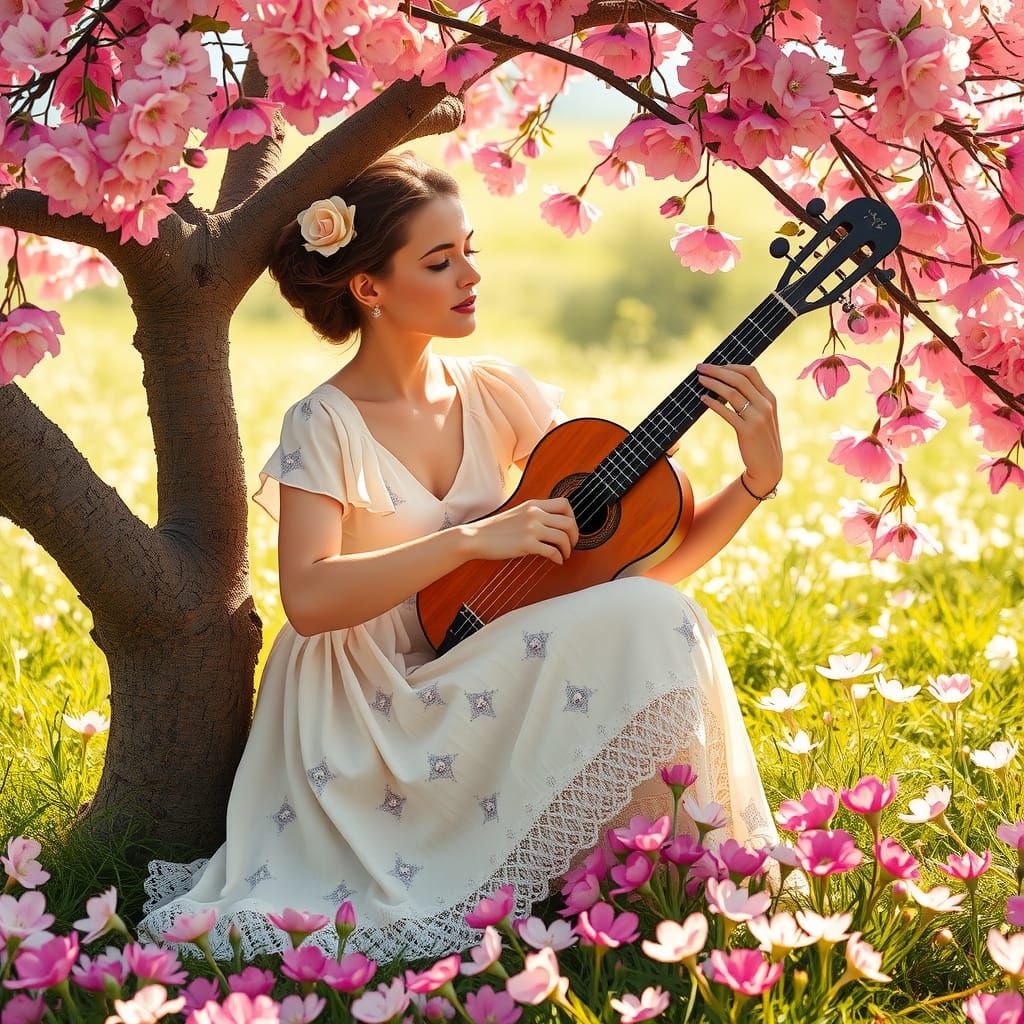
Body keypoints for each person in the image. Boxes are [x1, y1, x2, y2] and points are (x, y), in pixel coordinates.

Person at [137, 149, 784, 965]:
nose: (469, 274)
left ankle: (671, 881)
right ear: (367, 288)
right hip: (365, 704)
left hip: (470, 665)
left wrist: (756, 479)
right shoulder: (324, 423)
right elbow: (307, 597)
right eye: (440, 262)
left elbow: (639, 579)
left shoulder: (495, 393)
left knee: (655, 614)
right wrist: (471, 539)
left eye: (469, 250)